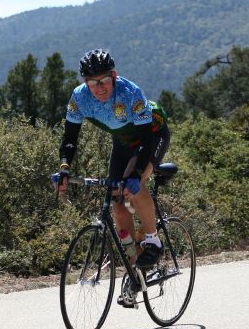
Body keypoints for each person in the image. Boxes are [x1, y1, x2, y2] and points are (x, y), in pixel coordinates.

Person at [57, 49, 171, 271]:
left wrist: (137, 174)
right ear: (85, 82)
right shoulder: (80, 98)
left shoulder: (130, 93)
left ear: (115, 76)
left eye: (105, 80)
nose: (100, 87)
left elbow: (146, 141)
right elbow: (70, 138)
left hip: (152, 135)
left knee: (133, 185)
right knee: (117, 205)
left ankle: (153, 240)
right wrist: (64, 168)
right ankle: (136, 267)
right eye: (93, 82)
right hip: (123, 141)